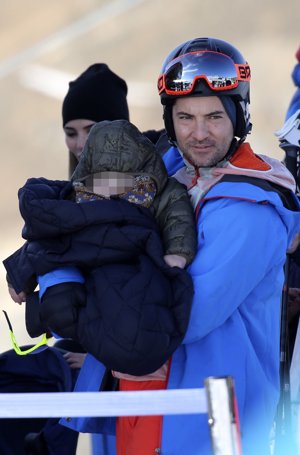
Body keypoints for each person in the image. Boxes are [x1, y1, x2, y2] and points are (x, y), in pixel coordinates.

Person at [61, 37, 300, 455]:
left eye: (214, 116)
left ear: (238, 116)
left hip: (212, 423)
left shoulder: (250, 208)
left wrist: (89, 316)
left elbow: (188, 315)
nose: (200, 133)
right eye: (185, 117)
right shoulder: (170, 178)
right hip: (147, 404)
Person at [2, 63, 161, 455]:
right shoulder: (82, 188)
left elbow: (126, 280)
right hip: (89, 369)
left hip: (123, 368)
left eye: (91, 130)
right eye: (70, 132)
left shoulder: (140, 187)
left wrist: (96, 355)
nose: (78, 144)